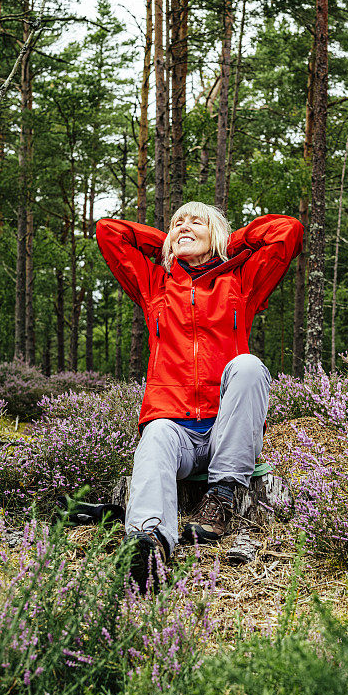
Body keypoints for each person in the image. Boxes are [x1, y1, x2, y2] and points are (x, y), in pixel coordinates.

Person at [96, 202, 303, 591]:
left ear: (218, 234)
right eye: (177, 223)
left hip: (228, 430)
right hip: (177, 431)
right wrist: (172, 244)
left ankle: (223, 496)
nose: (183, 227)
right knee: (155, 433)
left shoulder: (240, 281)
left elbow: (287, 230)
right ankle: (149, 546)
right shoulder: (156, 284)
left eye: (196, 222)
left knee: (248, 367)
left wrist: (225, 247)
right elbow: (109, 232)